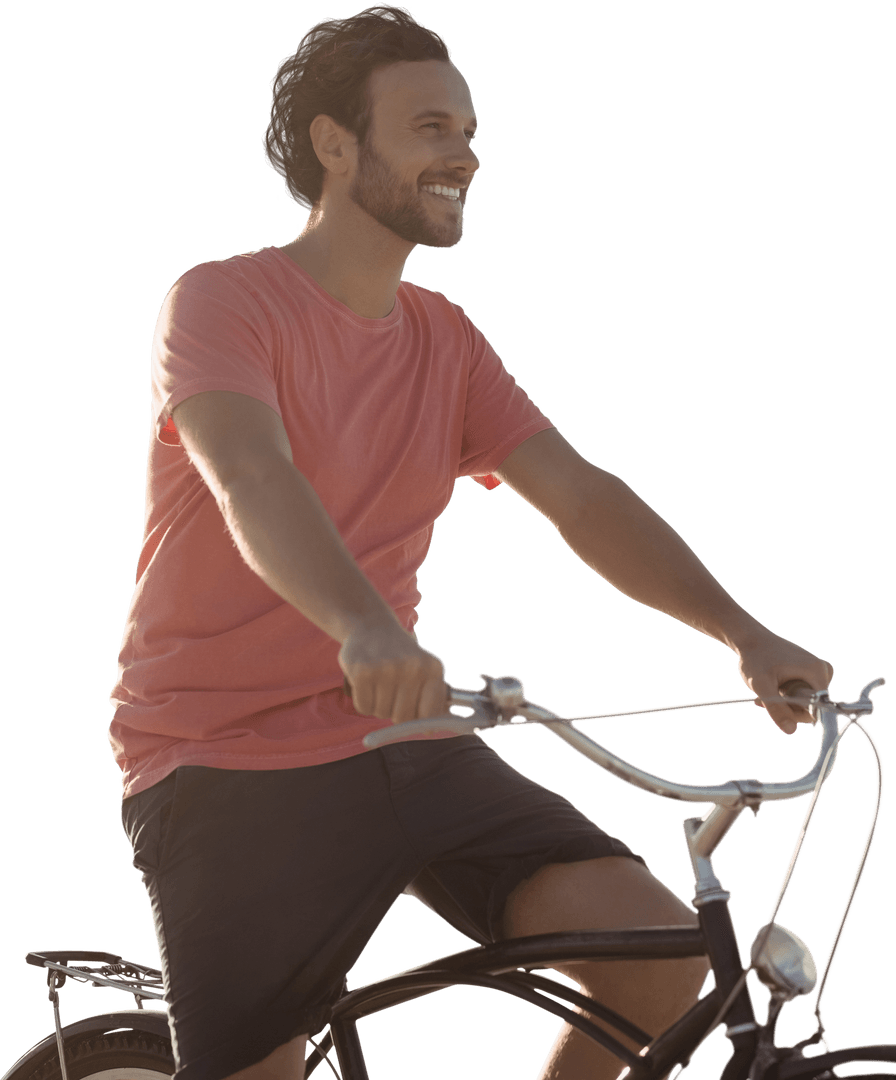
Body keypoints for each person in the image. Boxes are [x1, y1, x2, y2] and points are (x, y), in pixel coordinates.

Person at [110, 6, 833, 1080]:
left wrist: (739, 630)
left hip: (402, 740)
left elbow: (579, 495)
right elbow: (248, 475)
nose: (465, 155)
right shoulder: (223, 301)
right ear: (334, 143)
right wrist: (360, 627)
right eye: (432, 127)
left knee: (656, 961)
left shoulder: (443, 340)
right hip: (225, 754)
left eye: (471, 132)